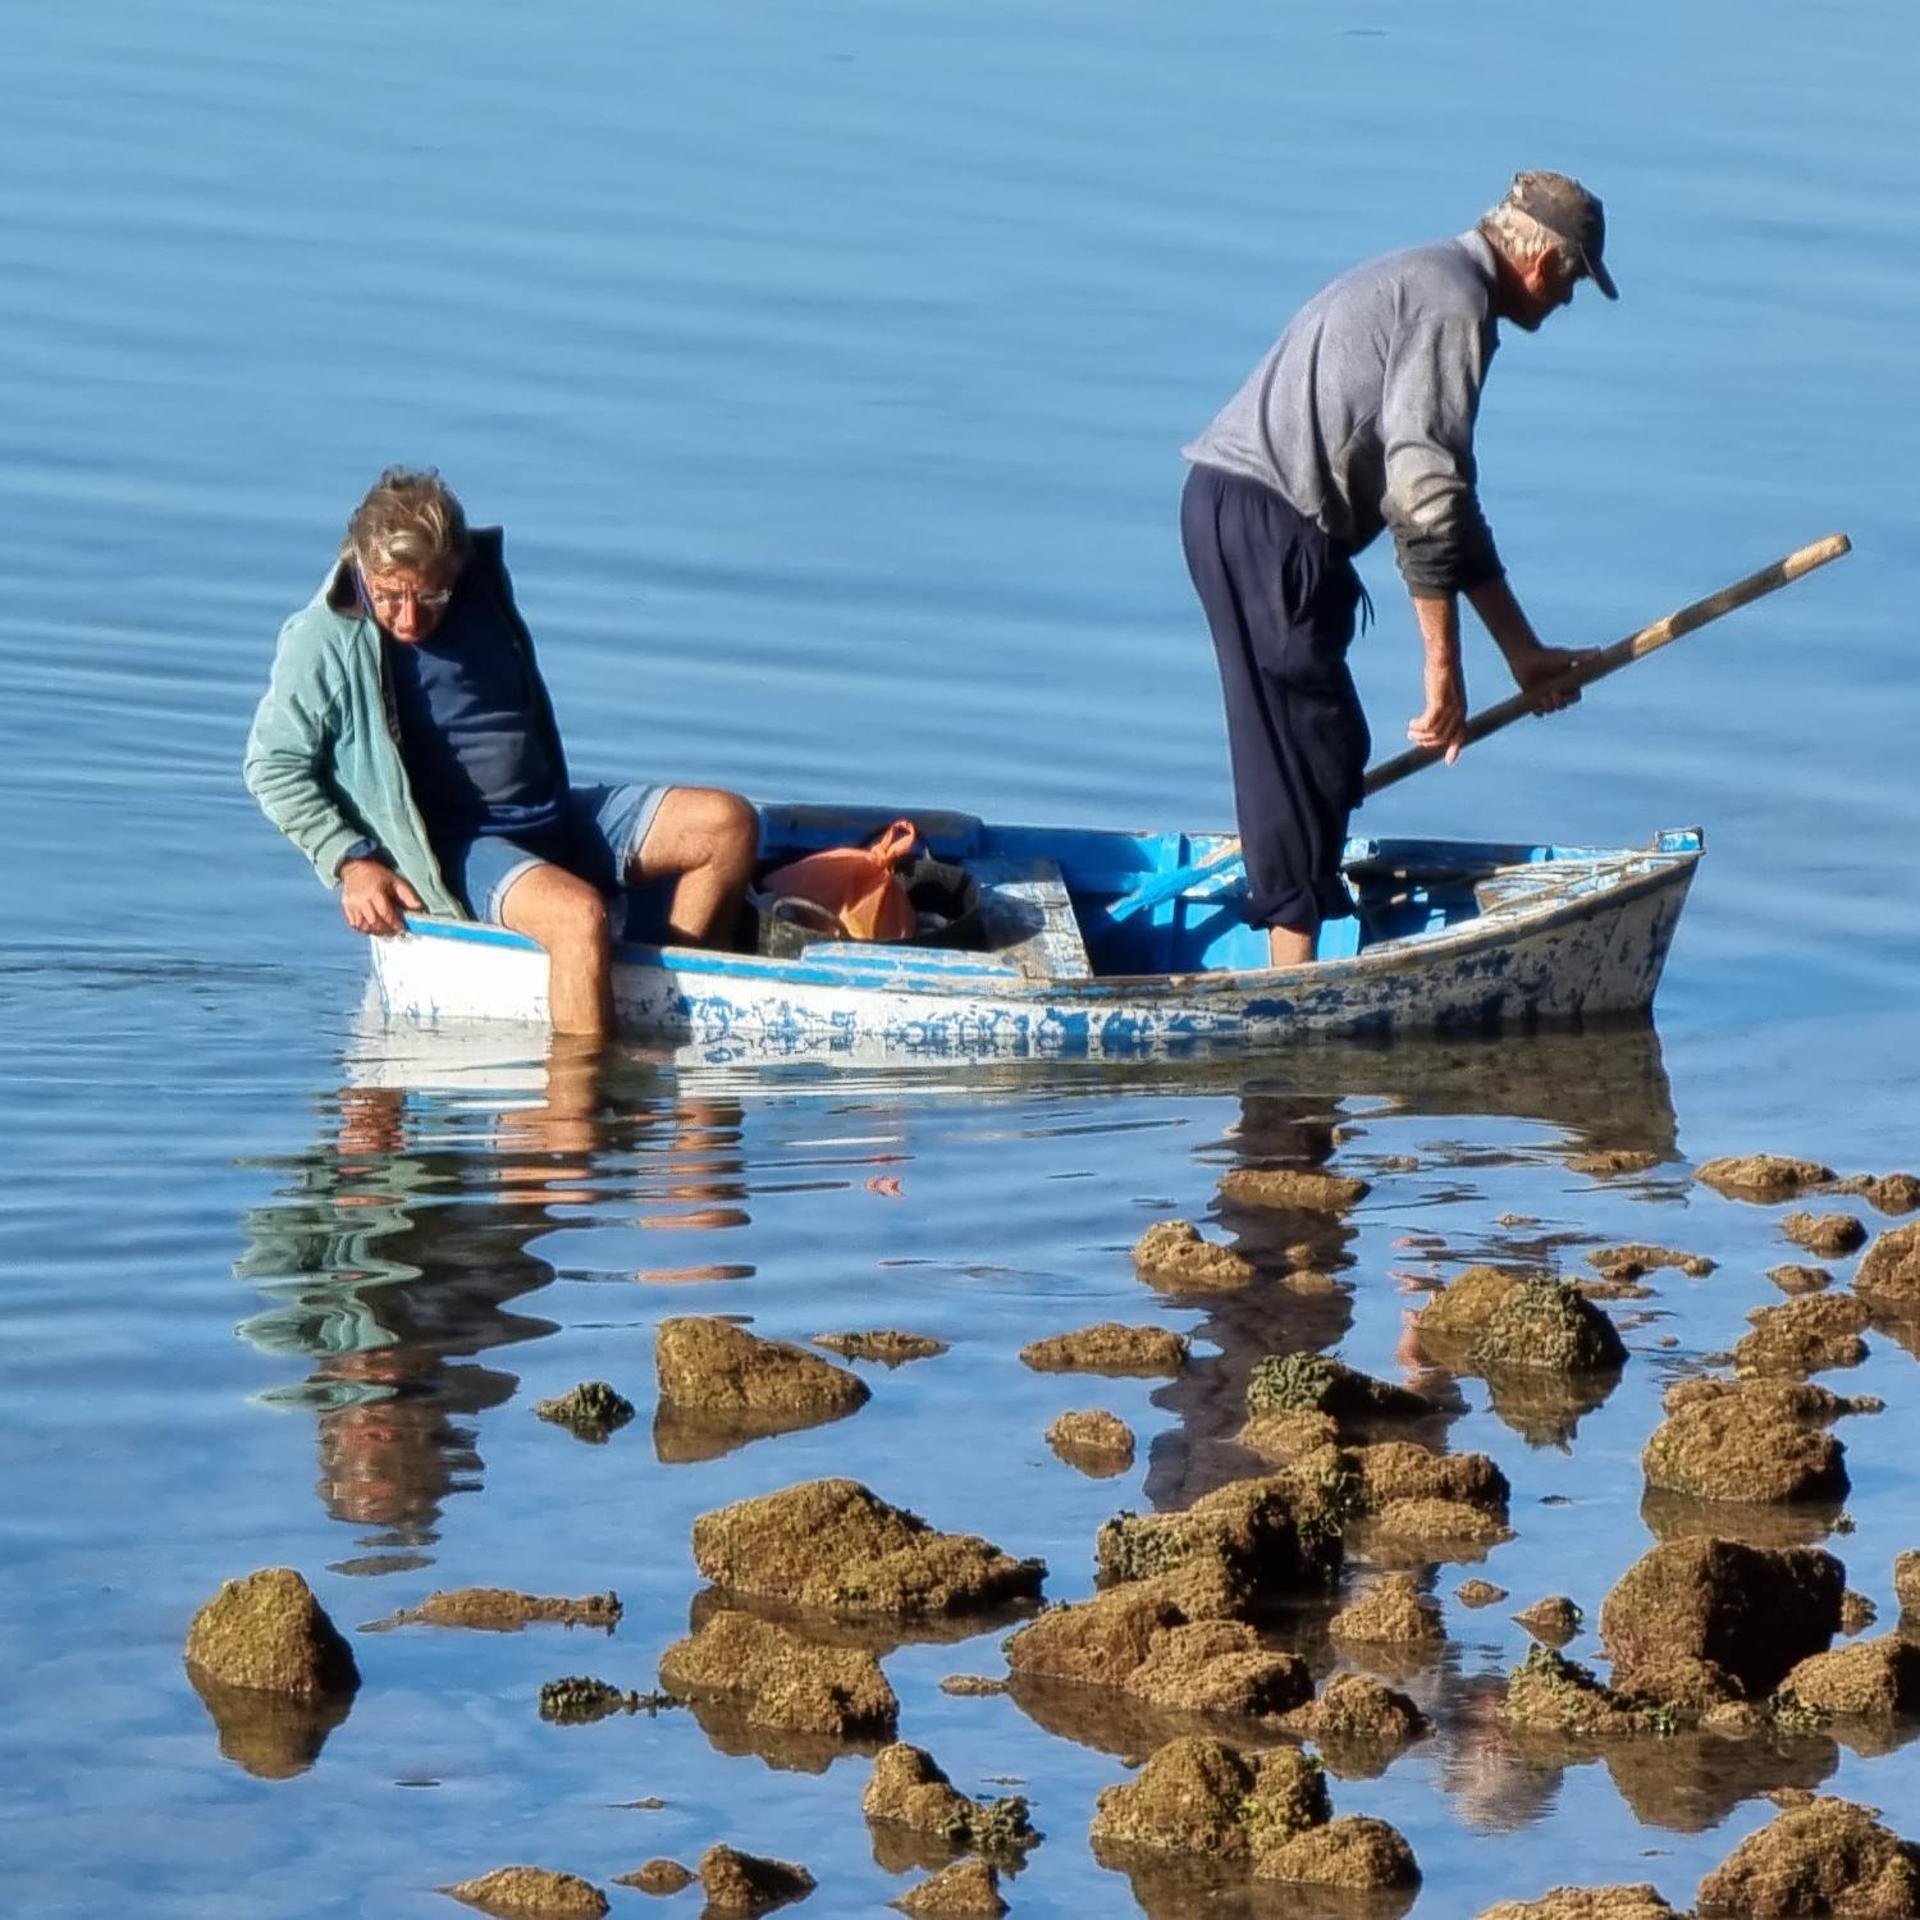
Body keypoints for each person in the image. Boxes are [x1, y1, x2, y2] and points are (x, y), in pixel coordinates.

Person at [1181, 170, 1616, 968]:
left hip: (1225, 505)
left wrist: (1520, 652)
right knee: (1306, 746)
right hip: (1269, 519)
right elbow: (1424, 501)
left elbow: (1450, 504)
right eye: (1575, 281)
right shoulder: (1457, 305)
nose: (1567, 302)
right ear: (1545, 263)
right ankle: (1294, 978)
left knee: (1320, 743)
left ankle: (1294, 944)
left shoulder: (1436, 277)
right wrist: (1443, 674)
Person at [244, 468, 759, 1034]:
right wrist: (351, 861)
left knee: (727, 825)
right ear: (362, 564)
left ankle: (665, 1009)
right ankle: (578, 1104)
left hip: (554, 814)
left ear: (456, 566)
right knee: (577, 916)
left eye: (430, 595)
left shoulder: (484, 583)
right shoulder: (324, 637)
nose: (410, 618)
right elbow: (274, 766)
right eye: (390, 596)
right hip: (462, 849)